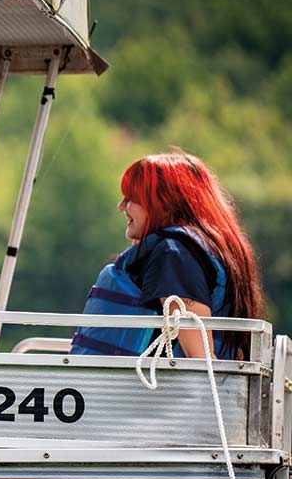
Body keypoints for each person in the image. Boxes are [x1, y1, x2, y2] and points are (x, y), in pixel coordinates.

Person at [71, 151, 263, 360]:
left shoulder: (174, 256)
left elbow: (200, 359)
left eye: (132, 199)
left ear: (164, 204)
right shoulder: (186, 251)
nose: (121, 207)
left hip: (139, 391)